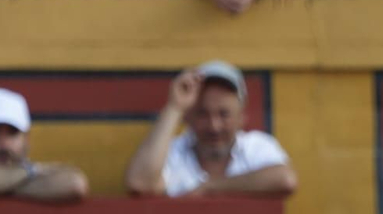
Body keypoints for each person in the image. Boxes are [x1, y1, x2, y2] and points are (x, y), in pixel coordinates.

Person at [124, 61, 297, 198]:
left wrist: (210, 187)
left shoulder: (256, 145)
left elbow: (285, 180)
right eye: (202, 114)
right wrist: (175, 107)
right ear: (188, 117)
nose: (214, 126)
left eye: (224, 114)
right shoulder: (174, 152)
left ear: (241, 117)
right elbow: (139, 183)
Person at [0, 88, 88, 203]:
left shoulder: (28, 173)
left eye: (12, 132)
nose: (4, 143)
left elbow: (75, 184)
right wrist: (31, 171)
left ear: (26, 139)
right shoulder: (33, 172)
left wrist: (3, 185)